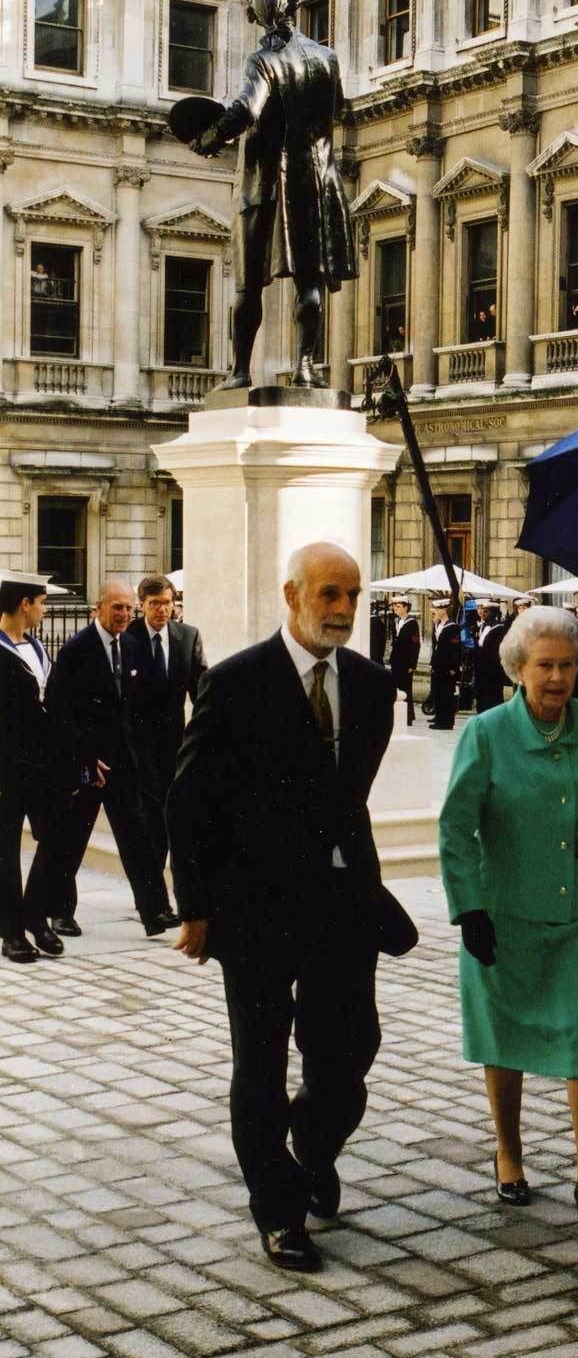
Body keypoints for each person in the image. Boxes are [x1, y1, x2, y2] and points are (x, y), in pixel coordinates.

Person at [168, 542, 415, 1273]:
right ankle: (278, 1212)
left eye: (352, 595)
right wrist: (197, 908)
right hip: (256, 911)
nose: (341, 609)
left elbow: (349, 800)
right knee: (261, 1066)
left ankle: (313, 1145)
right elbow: (189, 802)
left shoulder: (372, 687)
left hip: (343, 905)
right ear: (292, 594)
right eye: (328, 594)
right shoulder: (236, 682)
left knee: (349, 1054)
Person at [439, 605, 578, 1232]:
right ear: (517, 669)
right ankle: (510, 1153)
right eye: (544, 666)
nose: (557, 677)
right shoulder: (487, 733)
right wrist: (467, 907)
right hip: (503, 914)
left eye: (566, 665)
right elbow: (455, 826)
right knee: (505, 1038)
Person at [189, 0, 356, 390]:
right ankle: (304, 365)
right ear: (294, 6)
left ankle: (240, 370)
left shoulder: (262, 61)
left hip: (265, 183)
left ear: (255, 18)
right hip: (316, 178)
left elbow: (247, 109)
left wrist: (208, 138)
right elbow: (337, 109)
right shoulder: (327, 58)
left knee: (248, 283)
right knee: (310, 278)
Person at [32, 581, 171, 938]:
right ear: (99, 608)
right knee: (70, 840)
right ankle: (60, 913)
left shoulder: (135, 647)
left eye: (129, 608)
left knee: (138, 838)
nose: (125, 615)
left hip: (124, 765)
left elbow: (142, 709)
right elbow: (60, 711)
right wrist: (86, 758)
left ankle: (155, 912)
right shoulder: (77, 650)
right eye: (118, 608)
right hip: (87, 765)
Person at [125, 575, 207, 876]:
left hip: (176, 746)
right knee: (149, 820)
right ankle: (152, 891)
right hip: (137, 748)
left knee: (176, 816)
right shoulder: (128, 638)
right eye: (155, 604)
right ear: (142, 605)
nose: (162, 610)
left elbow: (202, 691)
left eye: (167, 603)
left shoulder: (189, 636)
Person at [0, 572, 63, 962]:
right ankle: (11, 931)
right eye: (41, 602)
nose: (44, 610)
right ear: (25, 603)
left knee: (56, 839)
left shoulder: (38, 648)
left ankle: (35, 915)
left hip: (42, 765)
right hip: (6, 768)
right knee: (5, 850)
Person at [388, 596, 421, 728]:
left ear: (406, 607)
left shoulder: (412, 623)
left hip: (406, 662)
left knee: (406, 689)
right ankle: (400, 714)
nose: (395, 608)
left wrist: (413, 664)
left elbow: (415, 645)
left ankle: (408, 716)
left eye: (399, 606)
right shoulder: (396, 621)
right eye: (395, 605)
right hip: (396, 660)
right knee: (397, 687)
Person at [428, 598, 461, 730]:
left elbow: (455, 649)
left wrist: (453, 667)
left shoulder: (452, 627)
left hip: (447, 667)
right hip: (438, 665)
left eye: (436, 609)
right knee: (438, 693)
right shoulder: (438, 625)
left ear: (443, 610)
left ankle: (446, 722)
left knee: (446, 694)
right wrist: (432, 664)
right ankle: (439, 718)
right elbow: (435, 647)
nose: (434, 612)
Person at [473, 603, 508, 713]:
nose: (483, 613)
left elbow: (496, 651)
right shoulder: (482, 627)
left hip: (493, 670)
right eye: (483, 610)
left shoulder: (499, 629)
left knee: (493, 698)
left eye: (486, 611)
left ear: (493, 613)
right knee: (481, 697)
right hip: (481, 669)